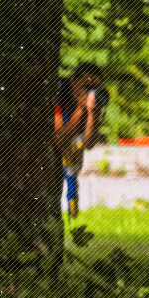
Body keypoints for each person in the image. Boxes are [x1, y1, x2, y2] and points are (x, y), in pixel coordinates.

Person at [54, 63, 108, 217]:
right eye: (86, 86)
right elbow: (59, 141)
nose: (90, 91)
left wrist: (92, 113)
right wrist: (80, 109)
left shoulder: (92, 101)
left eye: (95, 88)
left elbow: (89, 143)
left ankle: (71, 212)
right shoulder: (59, 92)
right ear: (73, 80)